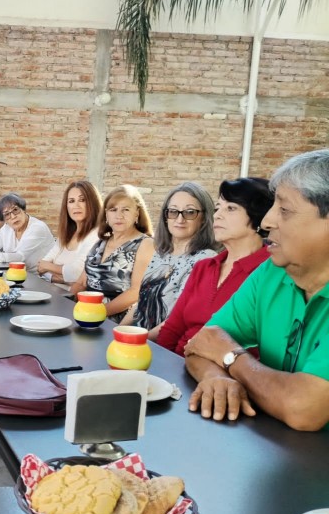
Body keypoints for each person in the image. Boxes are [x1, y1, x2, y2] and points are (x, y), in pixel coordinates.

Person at [184, 150, 329, 431]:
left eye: (285, 210)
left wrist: (231, 359)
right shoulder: (273, 272)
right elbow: (203, 342)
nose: (266, 222)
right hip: (273, 448)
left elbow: (304, 408)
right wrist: (216, 378)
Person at [157, 177, 273, 356]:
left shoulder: (271, 271)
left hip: (223, 370)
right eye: (218, 207)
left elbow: (262, 348)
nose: (217, 215)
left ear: (259, 217)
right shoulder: (204, 267)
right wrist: (160, 363)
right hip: (177, 362)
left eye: (231, 208)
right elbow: (172, 328)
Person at [121, 182, 218, 339]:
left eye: (190, 212)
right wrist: (119, 330)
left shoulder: (206, 259)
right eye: (173, 211)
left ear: (204, 218)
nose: (180, 219)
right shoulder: (162, 252)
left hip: (163, 345)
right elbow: (143, 301)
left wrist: (139, 340)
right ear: (165, 217)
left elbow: (178, 318)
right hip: (138, 339)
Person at [70, 184, 154, 321]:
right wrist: (67, 304)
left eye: (126, 210)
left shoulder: (146, 244)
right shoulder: (101, 242)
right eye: (113, 210)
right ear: (106, 214)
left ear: (137, 213)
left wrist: (97, 313)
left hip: (120, 321)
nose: (119, 216)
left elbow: (136, 292)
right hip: (87, 315)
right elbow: (81, 282)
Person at [36, 180, 102, 291]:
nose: (76, 206)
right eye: (71, 201)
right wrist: (64, 278)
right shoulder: (66, 233)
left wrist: (50, 268)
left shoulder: (97, 234)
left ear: (93, 203)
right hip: (51, 292)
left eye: (82, 200)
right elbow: (40, 267)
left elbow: (77, 272)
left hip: (71, 298)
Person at [0, 193, 54, 274]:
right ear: (4, 220)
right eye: (7, 214)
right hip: (18, 274)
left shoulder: (37, 227)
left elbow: (20, 257)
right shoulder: (7, 228)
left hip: (41, 277)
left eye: (15, 210)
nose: (13, 216)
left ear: (23, 209)